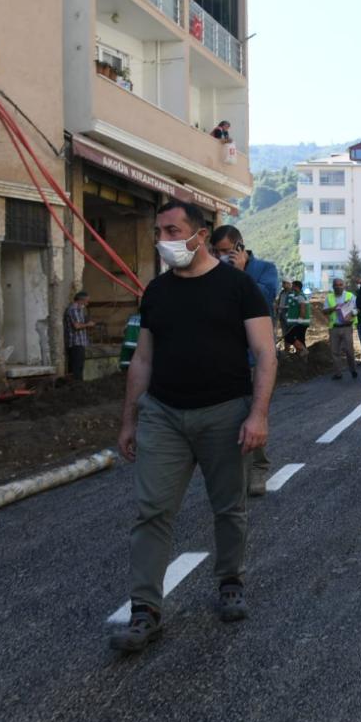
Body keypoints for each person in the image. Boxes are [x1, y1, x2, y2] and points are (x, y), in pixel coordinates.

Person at [111, 200, 275, 653]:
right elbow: (143, 359)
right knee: (152, 511)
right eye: (158, 231)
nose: (163, 240)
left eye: (172, 230)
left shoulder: (239, 287)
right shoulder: (156, 292)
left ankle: (230, 581)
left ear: (199, 235)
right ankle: (145, 610)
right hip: (163, 414)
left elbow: (265, 353)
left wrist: (258, 414)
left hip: (225, 413)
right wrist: (129, 419)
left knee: (229, 507)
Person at [211, 225, 279, 497]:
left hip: (254, 356)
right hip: (224, 353)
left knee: (253, 411)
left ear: (240, 247)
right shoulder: (213, 272)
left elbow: (265, 297)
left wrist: (239, 273)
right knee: (225, 415)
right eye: (216, 252)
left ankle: (258, 468)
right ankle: (232, 471)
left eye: (226, 251)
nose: (220, 256)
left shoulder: (265, 269)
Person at [323, 277, 359, 381]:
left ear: (344, 286)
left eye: (340, 285)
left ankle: (353, 370)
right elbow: (324, 311)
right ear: (333, 286)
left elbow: (357, 309)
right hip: (334, 328)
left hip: (347, 327)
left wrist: (352, 314)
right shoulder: (329, 297)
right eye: (336, 285)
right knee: (334, 352)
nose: (338, 287)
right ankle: (338, 373)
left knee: (349, 351)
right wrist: (334, 308)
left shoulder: (350, 296)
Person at [64, 290, 95, 381]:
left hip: (80, 343)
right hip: (75, 344)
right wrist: (88, 324)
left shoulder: (79, 310)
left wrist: (87, 324)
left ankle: (77, 385)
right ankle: (75, 386)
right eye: (86, 301)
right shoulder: (73, 310)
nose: (87, 304)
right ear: (80, 300)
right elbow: (77, 326)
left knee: (79, 368)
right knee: (76, 370)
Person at [283, 280, 310, 359]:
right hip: (298, 322)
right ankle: (303, 357)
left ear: (296, 287)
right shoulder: (297, 295)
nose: (291, 287)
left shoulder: (300, 296)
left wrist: (300, 319)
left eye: (293, 286)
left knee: (289, 337)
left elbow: (303, 309)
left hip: (300, 323)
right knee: (300, 339)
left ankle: (303, 351)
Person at [275, 279, 292, 350]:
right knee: (284, 332)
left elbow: (292, 305)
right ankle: (286, 348)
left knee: (289, 332)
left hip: (288, 315)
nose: (282, 285)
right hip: (281, 314)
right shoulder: (282, 292)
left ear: (289, 284)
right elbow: (279, 301)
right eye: (283, 283)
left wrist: (281, 307)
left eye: (284, 283)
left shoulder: (291, 293)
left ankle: (290, 347)